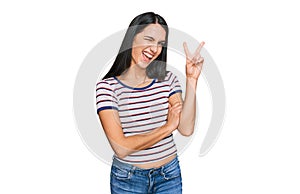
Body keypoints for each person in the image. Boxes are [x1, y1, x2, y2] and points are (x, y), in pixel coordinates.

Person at [96, 12, 204, 194]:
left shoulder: (168, 80)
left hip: (168, 175)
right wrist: (167, 128)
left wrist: (192, 80)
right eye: (149, 39)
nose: (154, 49)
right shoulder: (107, 88)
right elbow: (121, 147)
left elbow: (186, 129)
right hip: (128, 180)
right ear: (132, 38)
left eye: (160, 44)